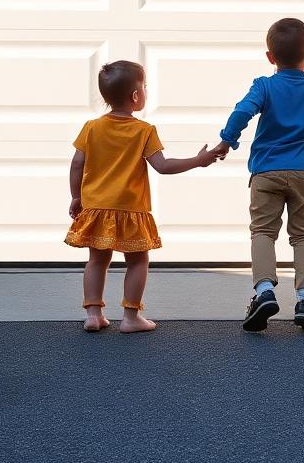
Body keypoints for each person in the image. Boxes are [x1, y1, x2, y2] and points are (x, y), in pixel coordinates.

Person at [65, 60, 226, 333]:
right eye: (145, 86)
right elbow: (163, 166)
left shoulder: (91, 127)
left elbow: (77, 163)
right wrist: (198, 160)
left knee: (97, 259)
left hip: (96, 207)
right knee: (138, 260)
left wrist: (76, 197)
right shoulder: (144, 131)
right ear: (136, 96)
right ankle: (130, 317)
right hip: (131, 210)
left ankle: (93, 314)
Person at [216, 18, 304, 333]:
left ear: (269, 57)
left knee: (263, 231)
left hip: (267, 171)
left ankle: (264, 292)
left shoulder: (264, 85)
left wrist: (227, 140)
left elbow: (241, 112)